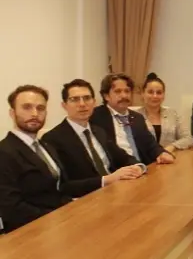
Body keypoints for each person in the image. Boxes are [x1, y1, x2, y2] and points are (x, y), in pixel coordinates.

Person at [0, 86, 132, 232]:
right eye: (27, 107)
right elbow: (11, 209)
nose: (35, 113)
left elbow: (61, 187)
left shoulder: (45, 146)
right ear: (12, 113)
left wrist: (76, 206)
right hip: (32, 232)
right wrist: (62, 217)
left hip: (62, 221)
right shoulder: (4, 152)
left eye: (41, 108)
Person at [42, 79, 146, 185]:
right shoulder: (52, 139)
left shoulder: (99, 131)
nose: (82, 104)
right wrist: (106, 180)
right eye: (75, 99)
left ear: (94, 102)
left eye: (87, 98)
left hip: (115, 188)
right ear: (64, 105)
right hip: (88, 193)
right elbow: (63, 185)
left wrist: (138, 167)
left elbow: (123, 158)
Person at [91, 74, 175, 166]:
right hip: (118, 170)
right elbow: (110, 151)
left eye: (127, 91)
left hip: (143, 168)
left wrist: (161, 153)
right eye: (118, 91)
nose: (124, 95)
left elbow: (150, 144)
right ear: (106, 96)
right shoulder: (96, 117)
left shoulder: (137, 117)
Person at [134, 73, 193, 155]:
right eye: (150, 92)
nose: (155, 96)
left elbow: (188, 138)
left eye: (159, 92)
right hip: (145, 160)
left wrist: (172, 146)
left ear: (163, 95)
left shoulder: (172, 114)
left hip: (169, 158)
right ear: (143, 94)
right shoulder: (134, 116)